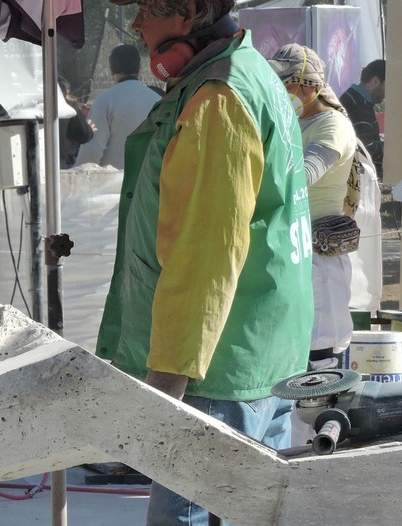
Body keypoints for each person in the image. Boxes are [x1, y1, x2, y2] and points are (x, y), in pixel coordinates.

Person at [94, 1, 312, 524]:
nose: (135, 25)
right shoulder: (249, 71)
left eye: (145, 8)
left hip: (215, 371)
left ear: (188, 12)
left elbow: (205, 255)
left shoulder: (219, 97)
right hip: (259, 354)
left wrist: (165, 385)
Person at [269, 44, 358, 371]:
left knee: (319, 358)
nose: (280, 90)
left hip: (319, 257)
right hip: (294, 249)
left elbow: (304, 175)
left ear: (311, 86)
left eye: (286, 83)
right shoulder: (294, 119)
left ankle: (323, 423)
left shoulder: (332, 126)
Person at [74, 44, 162, 169]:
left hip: (114, 183)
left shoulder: (106, 99)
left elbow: (92, 148)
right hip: (149, 180)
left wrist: (80, 176)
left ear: (111, 69)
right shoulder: (157, 100)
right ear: (139, 68)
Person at [338, 59, 385, 178]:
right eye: (387, 86)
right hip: (357, 179)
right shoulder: (359, 106)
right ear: (375, 81)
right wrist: (395, 147)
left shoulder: (356, 99)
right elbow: (367, 148)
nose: (387, 94)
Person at [57, 77, 94, 168]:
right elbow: (84, 135)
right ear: (66, 92)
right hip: (61, 163)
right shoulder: (68, 108)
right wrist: (89, 128)